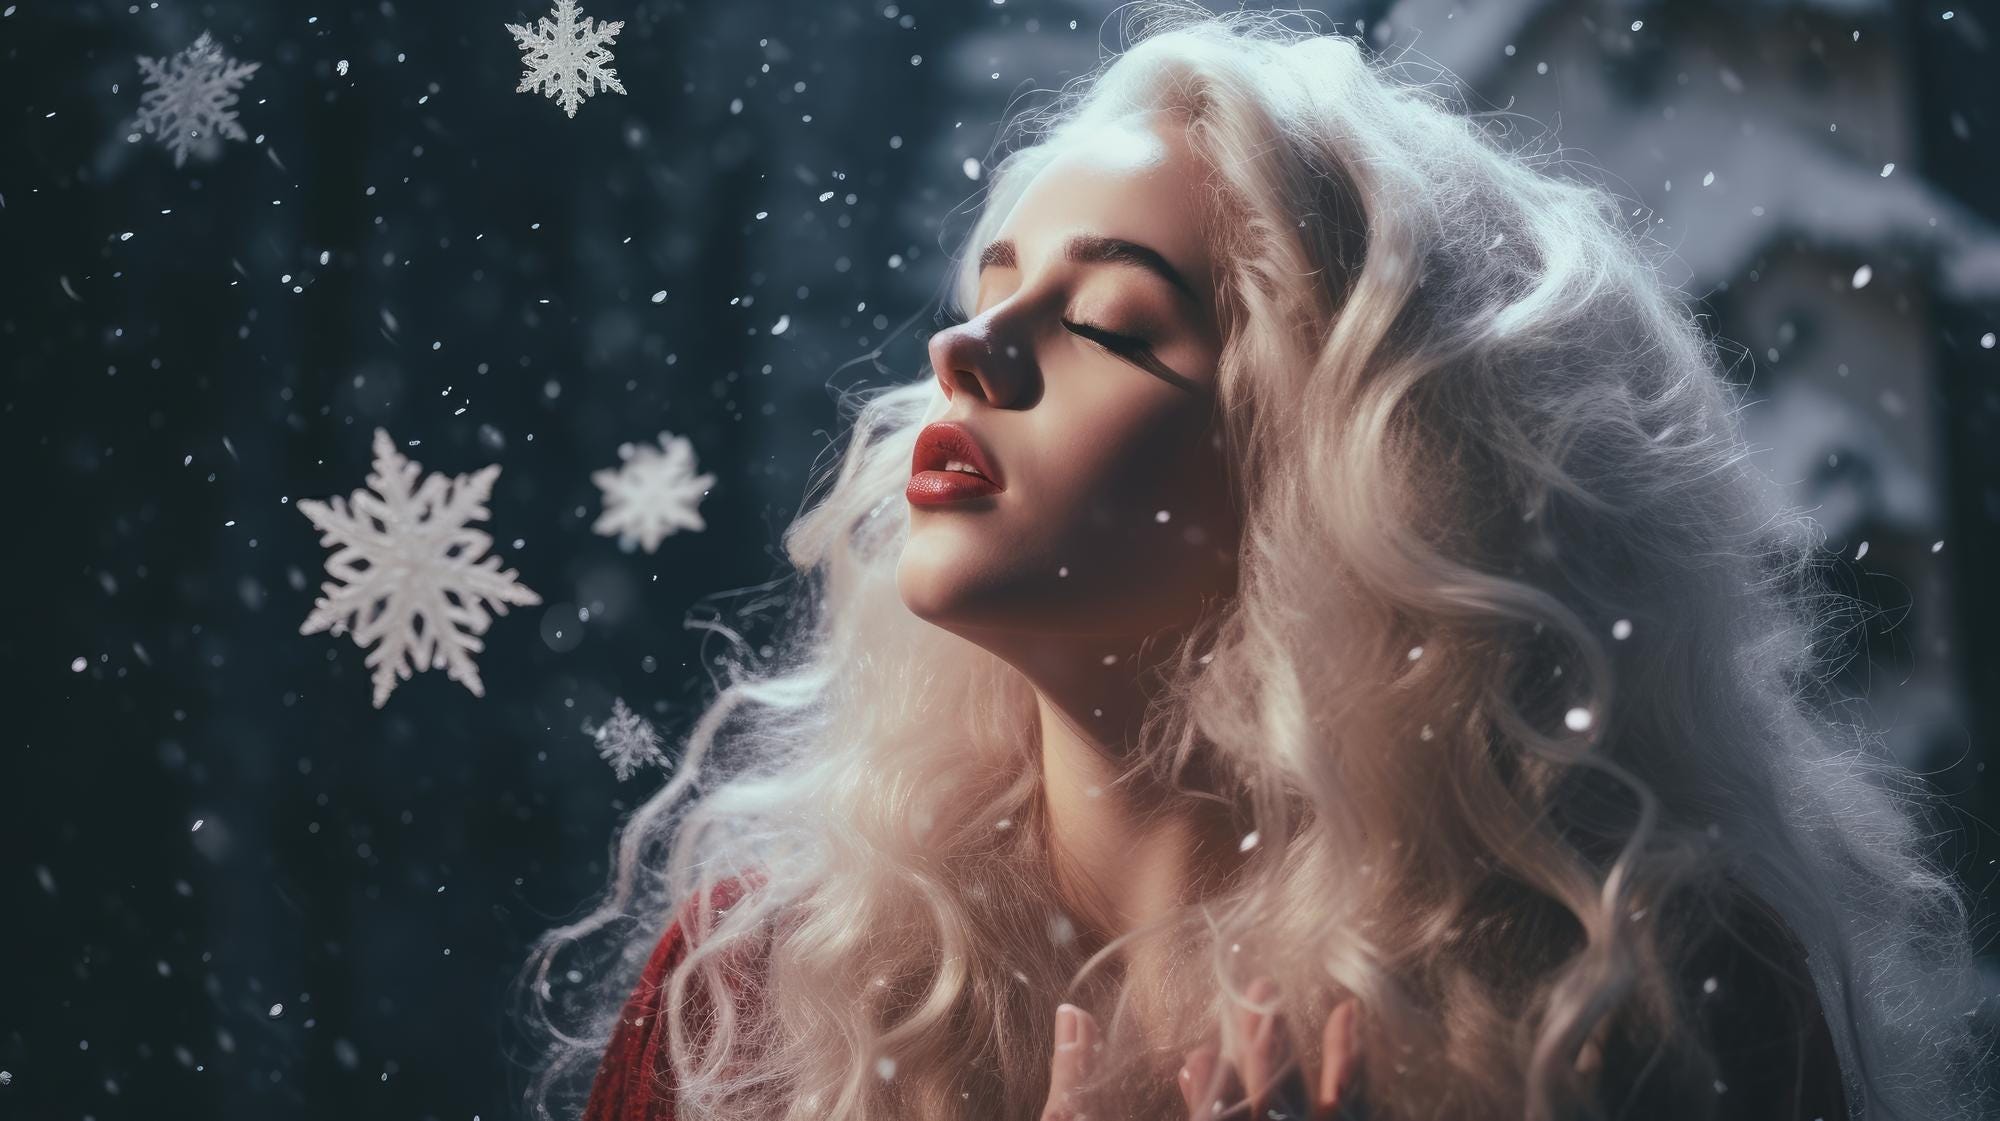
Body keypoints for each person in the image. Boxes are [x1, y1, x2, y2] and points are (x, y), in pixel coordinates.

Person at [522, 4, 1995, 1120]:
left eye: (1104, 322)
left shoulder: (1631, 1000)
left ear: (1334, 473)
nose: (966, 352)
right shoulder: (764, 994)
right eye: (989, 291)